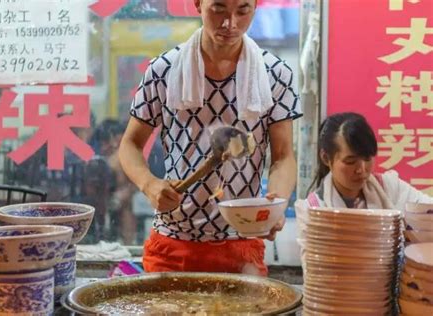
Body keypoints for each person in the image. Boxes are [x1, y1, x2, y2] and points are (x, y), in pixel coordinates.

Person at [118, 0, 301, 276]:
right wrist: (149, 185)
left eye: (242, 10)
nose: (231, 23)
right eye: (219, 9)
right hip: (172, 242)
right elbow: (129, 145)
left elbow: (284, 156)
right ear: (197, 4)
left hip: (241, 245)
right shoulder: (164, 70)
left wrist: (278, 200)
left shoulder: (275, 74)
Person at [299, 112, 432, 211]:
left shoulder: (389, 187)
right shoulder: (313, 209)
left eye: (367, 158)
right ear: (326, 158)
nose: (361, 169)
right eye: (350, 161)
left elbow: (427, 210)